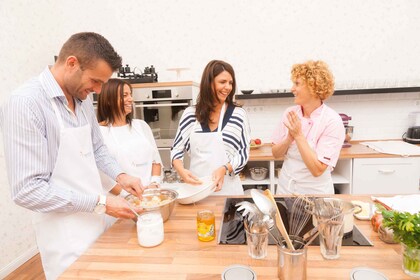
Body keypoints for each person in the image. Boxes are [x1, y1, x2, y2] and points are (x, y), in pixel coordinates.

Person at [0, 32, 146, 279]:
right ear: (71, 63)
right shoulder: (26, 103)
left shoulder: (83, 99)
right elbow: (27, 190)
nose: (99, 90)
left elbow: (97, 149)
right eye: (95, 81)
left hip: (97, 221)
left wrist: (121, 176)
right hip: (63, 233)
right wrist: (101, 203)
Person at [171, 60, 250, 195]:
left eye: (230, 83)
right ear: (209, 83)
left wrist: (224, 169)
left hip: (228, 190)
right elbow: (176, 149)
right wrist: (181, 171)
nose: (228, 87)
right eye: (222, 82)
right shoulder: (190, 114)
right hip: (197, 190)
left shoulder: (238, 115)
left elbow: (243, 153)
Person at [272, 60, 345, 195]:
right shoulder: (290, 113)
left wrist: (298, 136)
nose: (292, 88)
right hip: (286, 189)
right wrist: (289, 137)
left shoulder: (332, 121)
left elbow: (317, 170)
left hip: (315, 194)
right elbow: (276, 154)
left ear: (313, 87)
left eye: (297, 84)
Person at [96, 78, 162, 226]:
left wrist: (154, 185)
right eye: (124, 95)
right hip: (119, 205)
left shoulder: (141, 126)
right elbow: (102, 177)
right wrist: (129, 197)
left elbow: (156, 161)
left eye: (130, 94)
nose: (130, 99)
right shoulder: (99, 132)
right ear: (108, 99)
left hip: (150, 200)